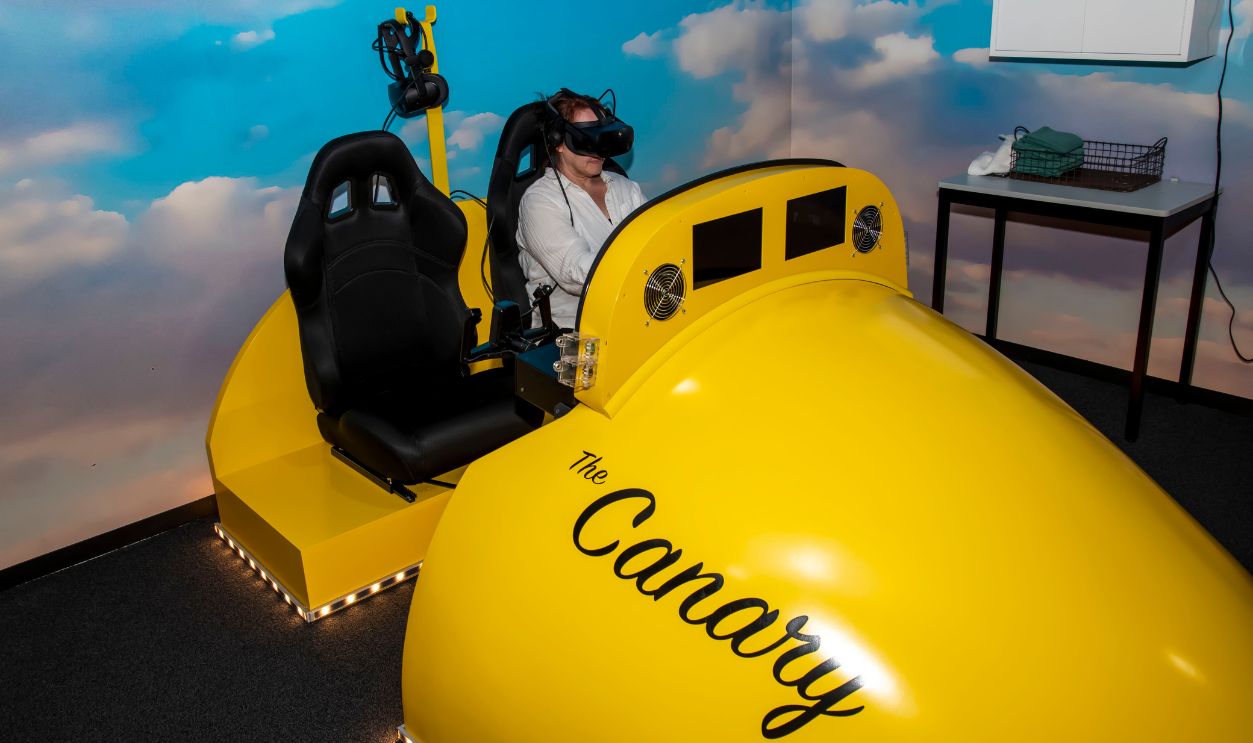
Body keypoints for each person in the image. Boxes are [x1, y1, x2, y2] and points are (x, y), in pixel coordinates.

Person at [516, 89, 646, 329]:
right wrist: (645, 274)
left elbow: (655, 242)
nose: (597, 149)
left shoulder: (628, 190)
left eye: (601, 136)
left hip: (634, 318)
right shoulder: (540, 201)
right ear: (558, 142)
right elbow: (576, 272)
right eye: (586, 139)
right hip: (570, 335)